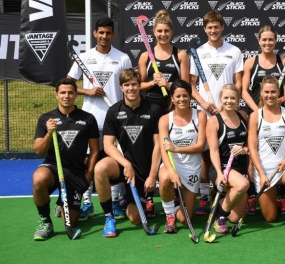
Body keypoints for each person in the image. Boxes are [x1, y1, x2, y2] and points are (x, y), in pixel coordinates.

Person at [67, 16, 132, 221]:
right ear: (95, 33)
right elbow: (67, 85)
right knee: (88, 161)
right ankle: (87, 203)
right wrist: (88, 91)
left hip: (116, 119)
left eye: (108, 33)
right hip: (91, 119)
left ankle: (115, 202)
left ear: (113, 34)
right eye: (100, 32)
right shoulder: (84, 57)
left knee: (114, 162)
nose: (104, 36)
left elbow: (130, 86)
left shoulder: (122, 58)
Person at [94, 68, 162, 237]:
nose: (131, 88)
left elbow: (158, 145)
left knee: (135, 219)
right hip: (123, 166)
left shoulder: (153, 109)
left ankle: (130, 200)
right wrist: (126, 164)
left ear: (140, 86)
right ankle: (109, 217)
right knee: (100, 168)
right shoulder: (114, 111)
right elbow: (108, 145)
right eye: (127, 85)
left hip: (145, 168)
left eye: (134, 84)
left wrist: (153, 175)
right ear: (121, 88)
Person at [189, 10, 244, 215]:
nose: (213, 30)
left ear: (222, 28)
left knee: (228, 153)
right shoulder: (198, 52)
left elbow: (238, 83)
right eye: (209, 27)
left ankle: (231, 193)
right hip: (206, 112)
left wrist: (229, 104)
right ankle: (205, 195)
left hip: (227, 110)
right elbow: (191, 85)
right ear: (205, 29)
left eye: (216, 27)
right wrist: (204, 102)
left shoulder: (235, 51)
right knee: (204, 153)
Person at [32, 78, 99, 241]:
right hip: (54, 166)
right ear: (56, 95)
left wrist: (89, 174)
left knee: (71, 221)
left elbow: (95, 150)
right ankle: (45, 221)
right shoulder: (46, 119)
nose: (66, 96)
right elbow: (39, 151)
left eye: (70, 92)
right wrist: (49, 133)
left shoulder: (88, 118)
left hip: (76, 171)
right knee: (38, 179)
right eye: (62, 92)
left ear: (76, 94)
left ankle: (62, 201)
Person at [247, 76, 285, 233]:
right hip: (265, 171)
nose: (270, 95)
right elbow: (252, 148)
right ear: (261, 93)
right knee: (270, 218)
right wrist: (261, 174)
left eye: (273, 92)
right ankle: (278, 202)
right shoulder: (255, 116)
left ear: (278, 92)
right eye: (266, 92)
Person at [241, 25, 285, 214]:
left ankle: (283, 197)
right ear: (259, 41)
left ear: (275, 41)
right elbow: (244, 91)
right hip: (256, 114)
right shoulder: (251, 62)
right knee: (252, 151)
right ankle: (253, 193)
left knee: (282, 152)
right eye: (264, 40)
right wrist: (258, 112)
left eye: (271, 40)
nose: (267, 43)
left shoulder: (282, 61)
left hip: (276, 115)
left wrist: (278, 103)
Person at [158, 80, 207, 233]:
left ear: (190, 96)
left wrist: (176, 148)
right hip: (172, 165)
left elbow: (200, 146)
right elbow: (164, 150)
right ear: (172, 98)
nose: (182, 99)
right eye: (178, 96)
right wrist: (172, 172)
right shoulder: (165, 119)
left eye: (185, 96)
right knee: (165, 178)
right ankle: (169, 215)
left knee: (185, 220)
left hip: (192, 168)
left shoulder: (200, 115)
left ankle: (178, 206)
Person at [207, 84, 250, 234]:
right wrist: (219, 174)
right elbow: (213, 151)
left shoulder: (243, 116)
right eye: (226, 98)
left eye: (233, 98)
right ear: (220, 99)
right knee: (242, 185)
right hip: (223, 167)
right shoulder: (214, 121)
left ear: (238, 100)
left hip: (240, 167)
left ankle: (219, 203)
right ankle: (219, 217)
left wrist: (244, 149)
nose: (229, 101)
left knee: (234, 217)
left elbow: (249, 145)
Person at [138, 9, 190, 115]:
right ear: (154, 32)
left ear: (171, 31)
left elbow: (186, 87)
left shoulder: (180, 54)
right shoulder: (145, 56)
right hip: (150, 107)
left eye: (166, 31)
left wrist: (168, 85)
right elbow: (138, 86)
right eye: (159, 31)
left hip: (173, 107)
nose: (163, 34)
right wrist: (153, 82)